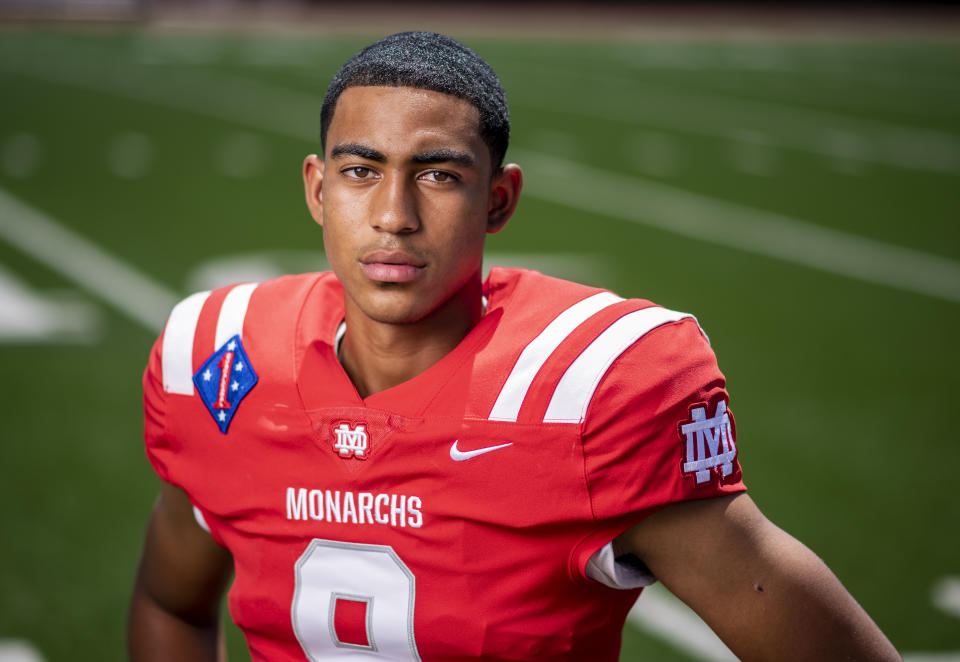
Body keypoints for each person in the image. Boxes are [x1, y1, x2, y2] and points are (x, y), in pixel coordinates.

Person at [128, 31, 900, 662]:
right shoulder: (221, 360)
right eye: (362, 171)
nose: (393, 214)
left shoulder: (592, 389)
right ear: (317, 189)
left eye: (437, 176)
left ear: (498, 200)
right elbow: (170, 598)